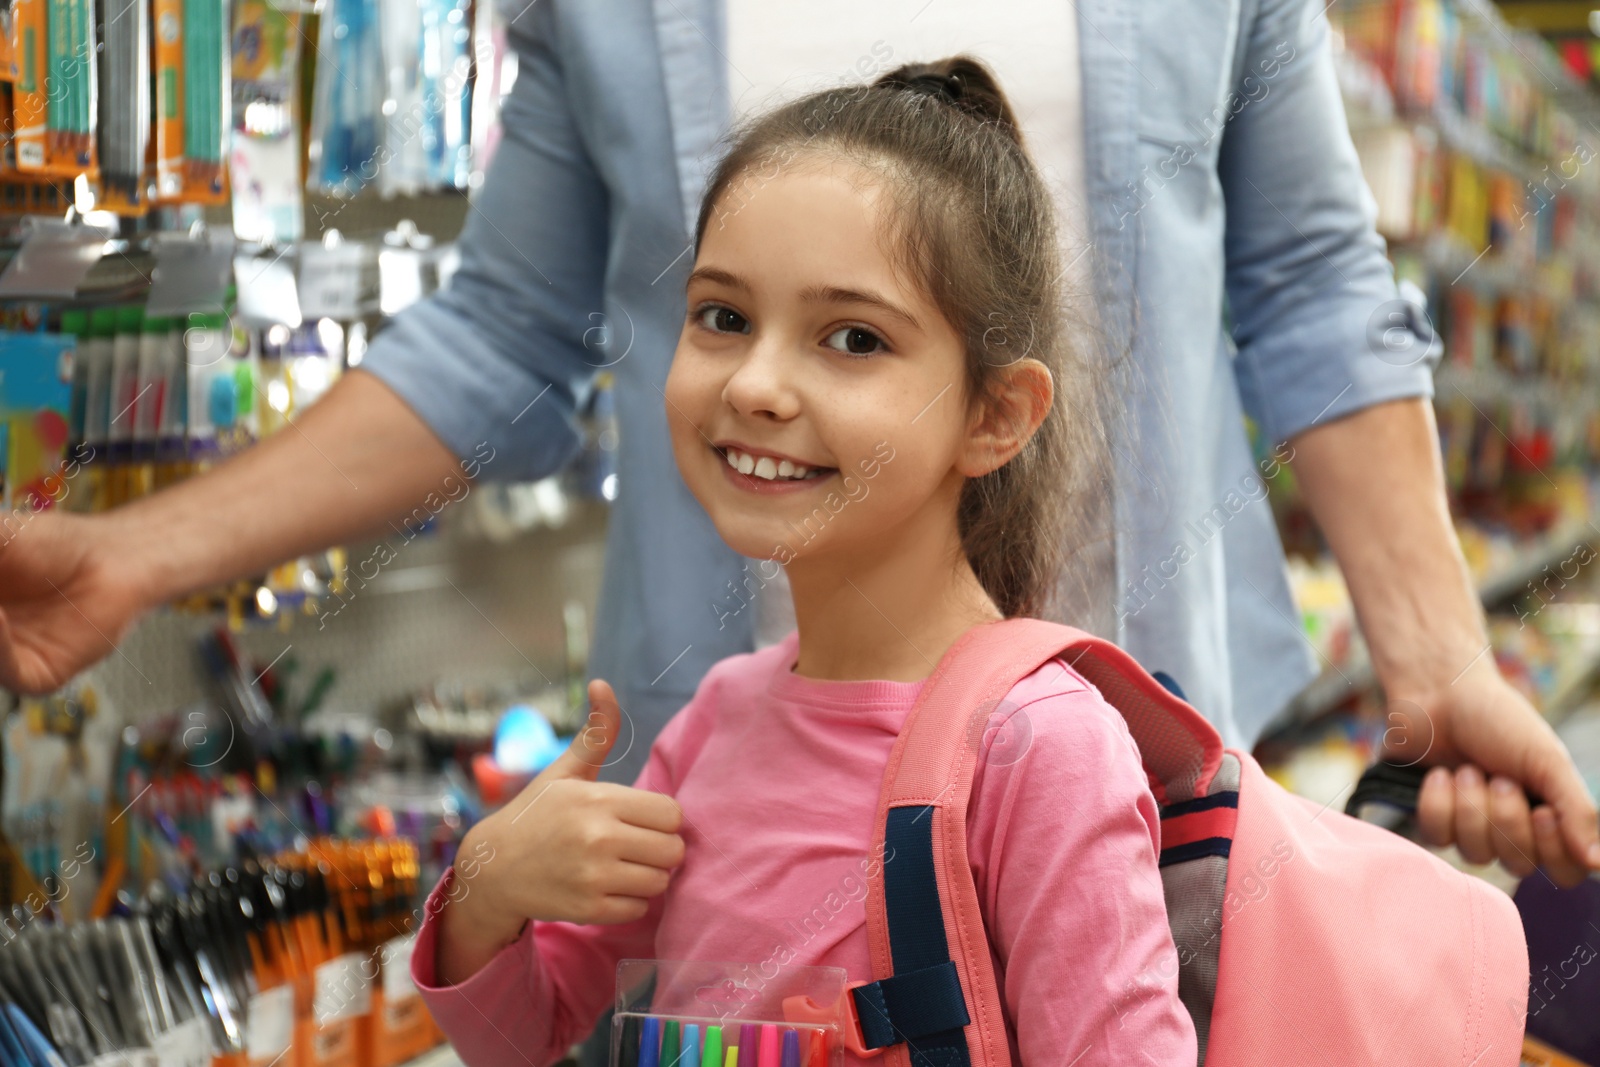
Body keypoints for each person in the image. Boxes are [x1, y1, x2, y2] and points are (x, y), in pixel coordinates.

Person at [0, 0, 1591, 889]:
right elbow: (502, 330)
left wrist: (1440, 655)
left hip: (1139, 782)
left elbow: (1316, 283)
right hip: (728, 807)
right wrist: (135, 553)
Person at [417, 59, 1198, 1066]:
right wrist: (490, 885)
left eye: (852, 338)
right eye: (723, 316)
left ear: (995, 414)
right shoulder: (716, 720)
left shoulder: (1042, 749)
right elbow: (528, 1030)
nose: (756, 383)